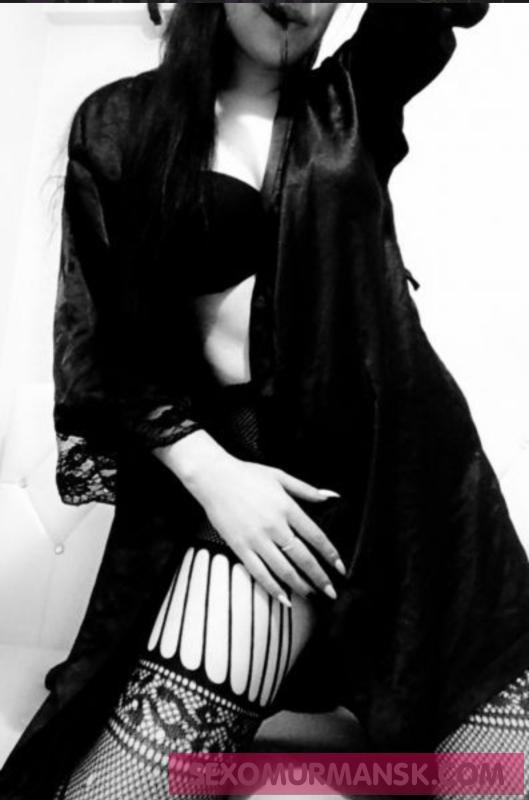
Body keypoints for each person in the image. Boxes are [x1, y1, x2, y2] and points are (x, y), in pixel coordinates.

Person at [3, 2, 529, 799]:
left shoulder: (351, 98)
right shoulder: (118, 123)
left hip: (418, 513)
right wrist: (215, 476)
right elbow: (101, 345)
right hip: (252, 505)